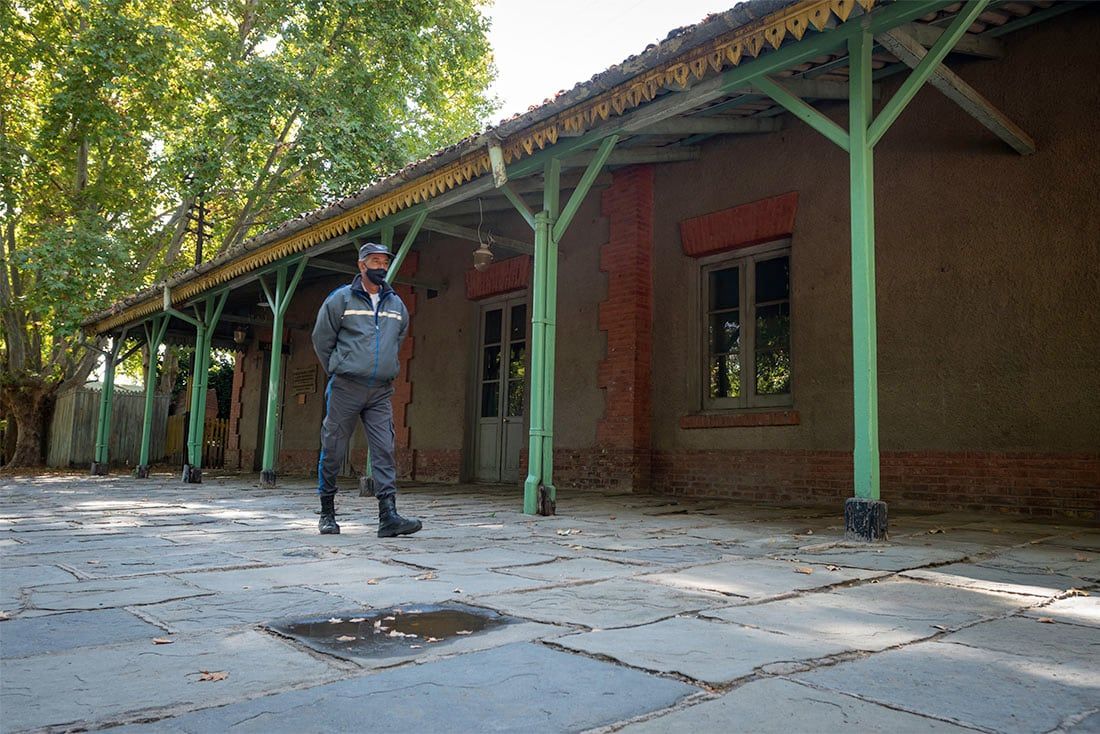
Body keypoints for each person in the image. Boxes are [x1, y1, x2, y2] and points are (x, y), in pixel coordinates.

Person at [310, 242, 422, 537]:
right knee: (333, 447)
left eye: (384, 262)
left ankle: (389, 517)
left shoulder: (397, 306)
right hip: (346, 385)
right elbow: (322, 340)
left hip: (380, 390)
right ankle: (327, 512)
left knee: (384, 449)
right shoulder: (340, 300)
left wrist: (384, 368)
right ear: (361, 265)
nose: (381, 267)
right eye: (374, 261)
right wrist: (339, 366)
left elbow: (396, 341)